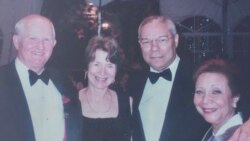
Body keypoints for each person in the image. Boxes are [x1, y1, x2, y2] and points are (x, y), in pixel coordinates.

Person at [127, 15, 250, 141]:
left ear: (175, 40)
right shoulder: (134, 82)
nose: (154, 48)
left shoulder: (200, 76)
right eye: (146, 41)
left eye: (162, 40)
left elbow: (237, 99)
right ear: (140, 44)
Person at [0, 14, 81, 141]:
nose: (40, 46)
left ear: (54, 44)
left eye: (46, 40)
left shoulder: (62, 80)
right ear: (16, 41)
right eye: (33, 38)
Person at [78, 35, 131, 141]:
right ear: (87, 67)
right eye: (97, 64)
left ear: (116, 71)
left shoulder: (128, 103)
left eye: (110, 66)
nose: (103, 72)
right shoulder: (70, 101)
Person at [193, 58, 243, 141]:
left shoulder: (243, 136)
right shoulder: (208, 134)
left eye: (216, 92)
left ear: (235, 98)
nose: (205, 100)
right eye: (200, 92)